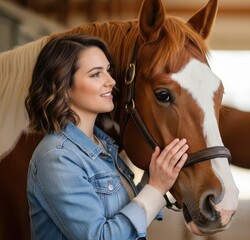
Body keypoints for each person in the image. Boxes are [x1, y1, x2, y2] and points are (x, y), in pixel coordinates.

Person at [25, 34, 188, 239]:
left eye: (108, 71)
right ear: (63, 86)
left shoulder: (102, 145)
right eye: (96, 74)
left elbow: (122, 208)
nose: (111, 81)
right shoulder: (57, 157)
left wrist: (158, 179)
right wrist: (155, 188)